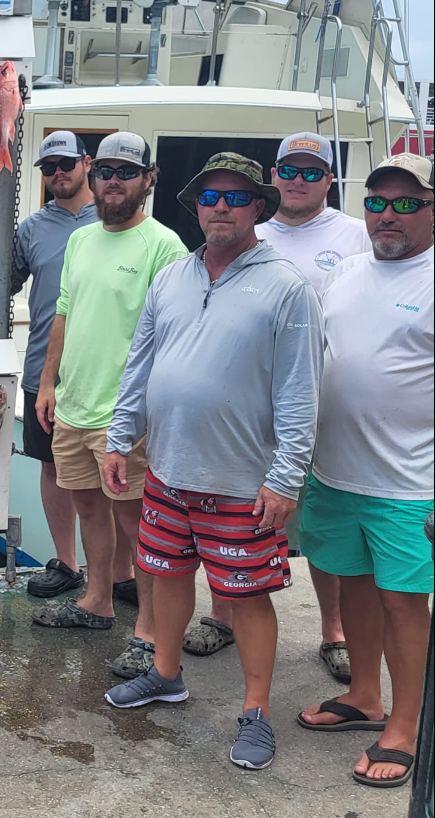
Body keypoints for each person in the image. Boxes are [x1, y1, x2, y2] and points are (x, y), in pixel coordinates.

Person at [103, 153, 322, 772]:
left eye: (235, 196)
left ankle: (256, 711)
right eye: (209, 196)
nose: (220, 206)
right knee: (167, 577)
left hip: (243, 482)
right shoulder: (172, 276)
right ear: (195, 207)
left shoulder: (287, 287)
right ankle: (166, 673)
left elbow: (301, 391)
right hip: (167, 470)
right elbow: (140, 363)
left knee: (248, 598)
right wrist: (120, 438)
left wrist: (286, 478)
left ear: (258, 207)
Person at [185, 132, 369, 678]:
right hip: (244, 420)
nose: (298, 180)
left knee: (321, 528)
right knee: (230, 521)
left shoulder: (355, 235)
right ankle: (222, 615)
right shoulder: (247, 230)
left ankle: (333, 631)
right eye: (289, 169)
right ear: (272, 177)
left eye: (312, 172)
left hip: (326, 410)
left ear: (329, 179)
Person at [296, 153, 433, 788]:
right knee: (352, 583)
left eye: (407, 204)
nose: (388, 215)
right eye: (377, 203)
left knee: (403, 600)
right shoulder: (346, 271)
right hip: (334, 471)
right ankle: (365, 696)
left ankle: (405, 725)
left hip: (411, 483)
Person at [29, 132, 188, 681]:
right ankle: (97, 600)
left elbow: (173, 335)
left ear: (149, 180)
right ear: (93, 176)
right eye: (106, 171)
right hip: (73, 405)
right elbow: (63, 314)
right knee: (88, 507)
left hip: (128, 416)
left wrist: (144, 409)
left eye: (127, 172)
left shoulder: (165, 246)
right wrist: (47, 383)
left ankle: (147, 630)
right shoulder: (80, 239)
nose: (113, 181)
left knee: (136, 521)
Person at [0, 131, 95, 597]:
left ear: (86, 164)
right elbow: (2, 282)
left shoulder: (113, 220)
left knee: (110, 476)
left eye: (66, 164)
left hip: (104, 374)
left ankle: (119, 574)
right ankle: (68, 563)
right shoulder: (33, 228)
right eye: (49, 167)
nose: (58, 173)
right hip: (44, 371)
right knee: (52, 467)